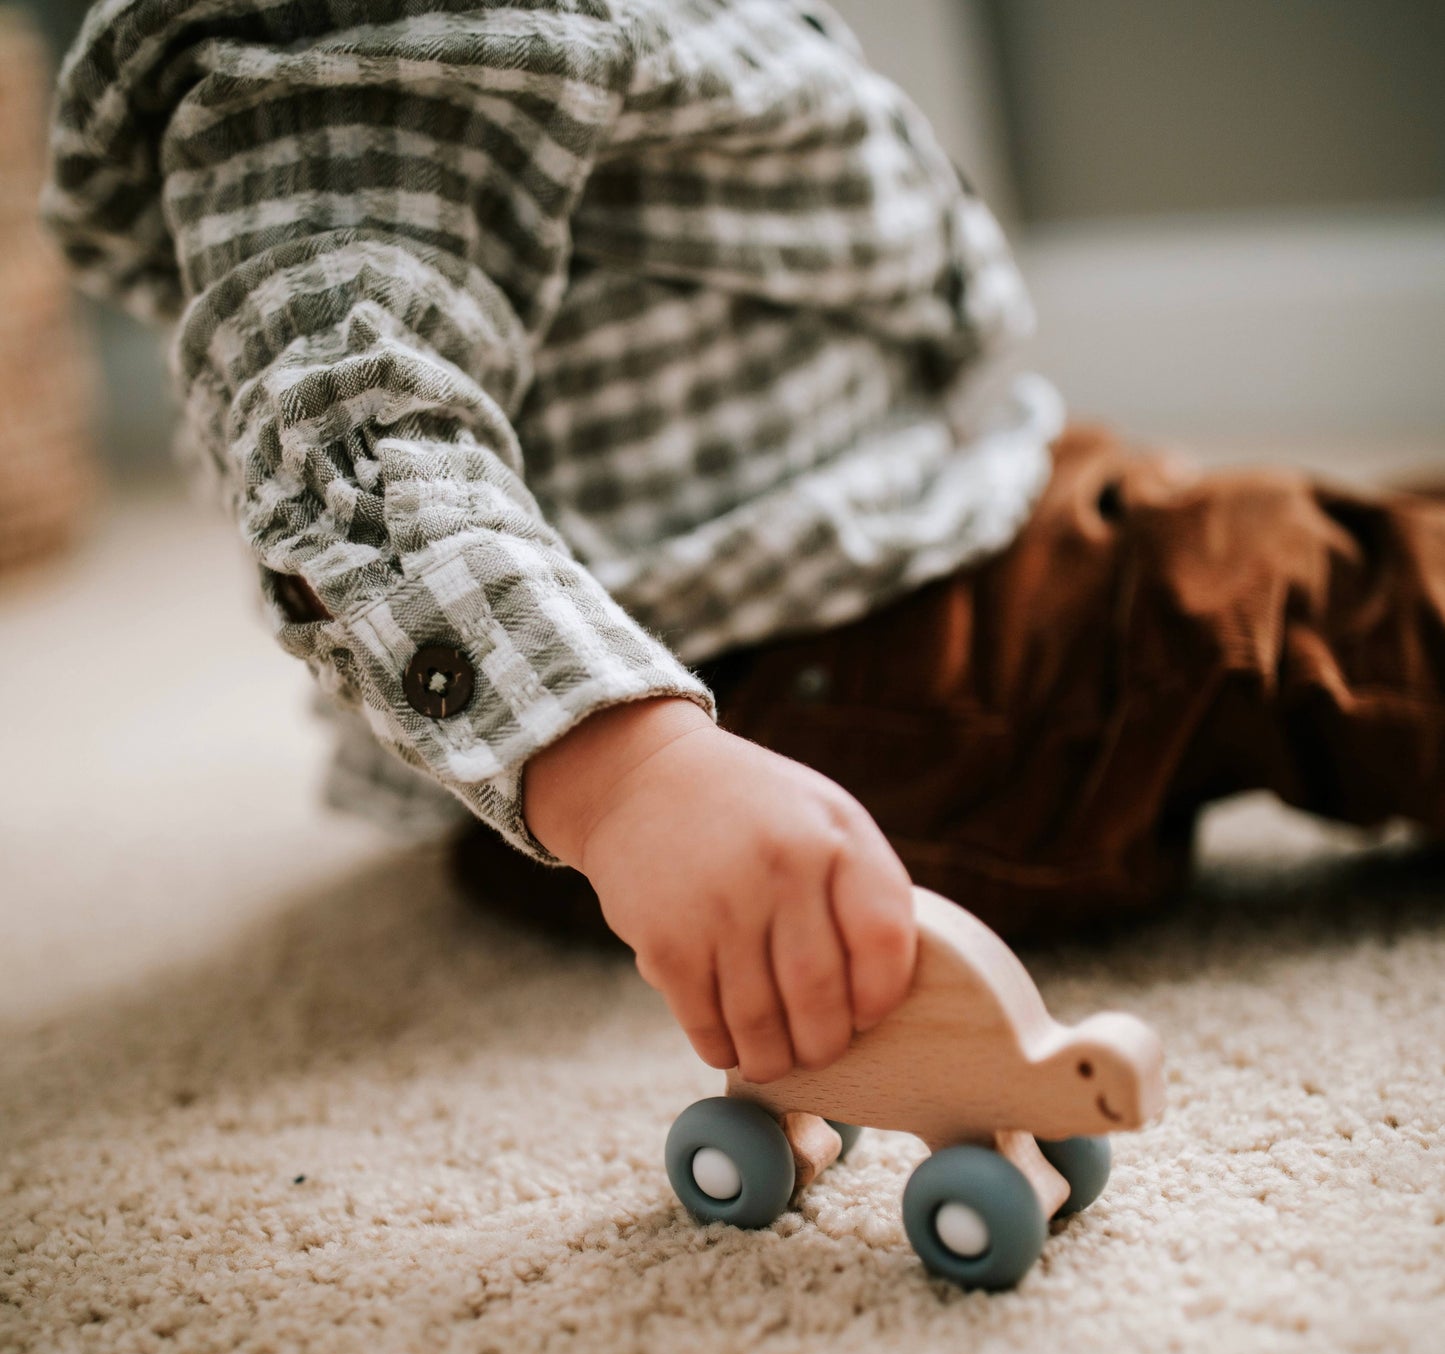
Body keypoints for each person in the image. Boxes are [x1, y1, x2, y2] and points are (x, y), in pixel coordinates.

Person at [45, 1, 1445, 1089]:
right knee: (1275, 592)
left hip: (901, 505)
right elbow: (345, 449)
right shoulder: (337, 42)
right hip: (779, 686)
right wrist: (630, 774)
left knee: (1277, 521)